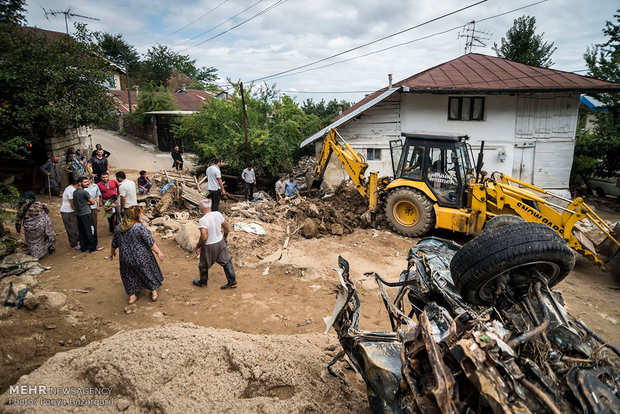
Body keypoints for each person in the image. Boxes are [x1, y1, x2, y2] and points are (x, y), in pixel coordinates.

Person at [110, 206, 164, 304]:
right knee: (148, 273)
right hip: (141, 256)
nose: (142, 215)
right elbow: (150, 242)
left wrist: (112, 252)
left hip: (125, 258)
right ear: (135, 215)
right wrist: (159, 252)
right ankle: (154, 293)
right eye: (140, 213)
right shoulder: (139, 227)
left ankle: (132, 296)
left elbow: (114, 242)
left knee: (128, 275)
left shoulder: (119, 227)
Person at [193, 199, 237, 289]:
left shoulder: (203, 220)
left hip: (209, 245)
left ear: (201, 208)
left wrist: (198, 246)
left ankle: (203, 282)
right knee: (227, 261)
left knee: (203, 265)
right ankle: (233, 282)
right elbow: (226, 227)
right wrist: (224, 237)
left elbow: (204, 236)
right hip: (220, 241)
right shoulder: (218, 214)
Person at [15, 192, 56, 259]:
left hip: (30, 229)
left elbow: (18, 220)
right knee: (46, 224)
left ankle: (35, 254)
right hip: (41, 227)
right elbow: (47, 211)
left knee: (32, 242)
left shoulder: (21, 207)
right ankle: (50, 247)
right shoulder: (39, 204)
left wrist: (18, 230)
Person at [73, 176, 103, 253]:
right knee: (90, 230)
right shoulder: (84, 192)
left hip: (79, 214)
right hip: (86, 213)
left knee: (82, 231)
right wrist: (89, 203)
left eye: (87, 181)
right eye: (85, 182)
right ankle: (92, 248)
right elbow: (93, 202)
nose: (87, 183)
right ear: (80, 183)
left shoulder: (75, 192)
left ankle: (84, 247)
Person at [59, 179, 80, 250]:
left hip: (68, 211)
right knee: (72, 228)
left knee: (74, 227)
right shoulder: (71, 190)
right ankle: (74, 244)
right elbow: (72, 203)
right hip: (68, 211)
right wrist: (75, 211)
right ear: (78, 184)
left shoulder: (70, 188)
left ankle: (76, 242)